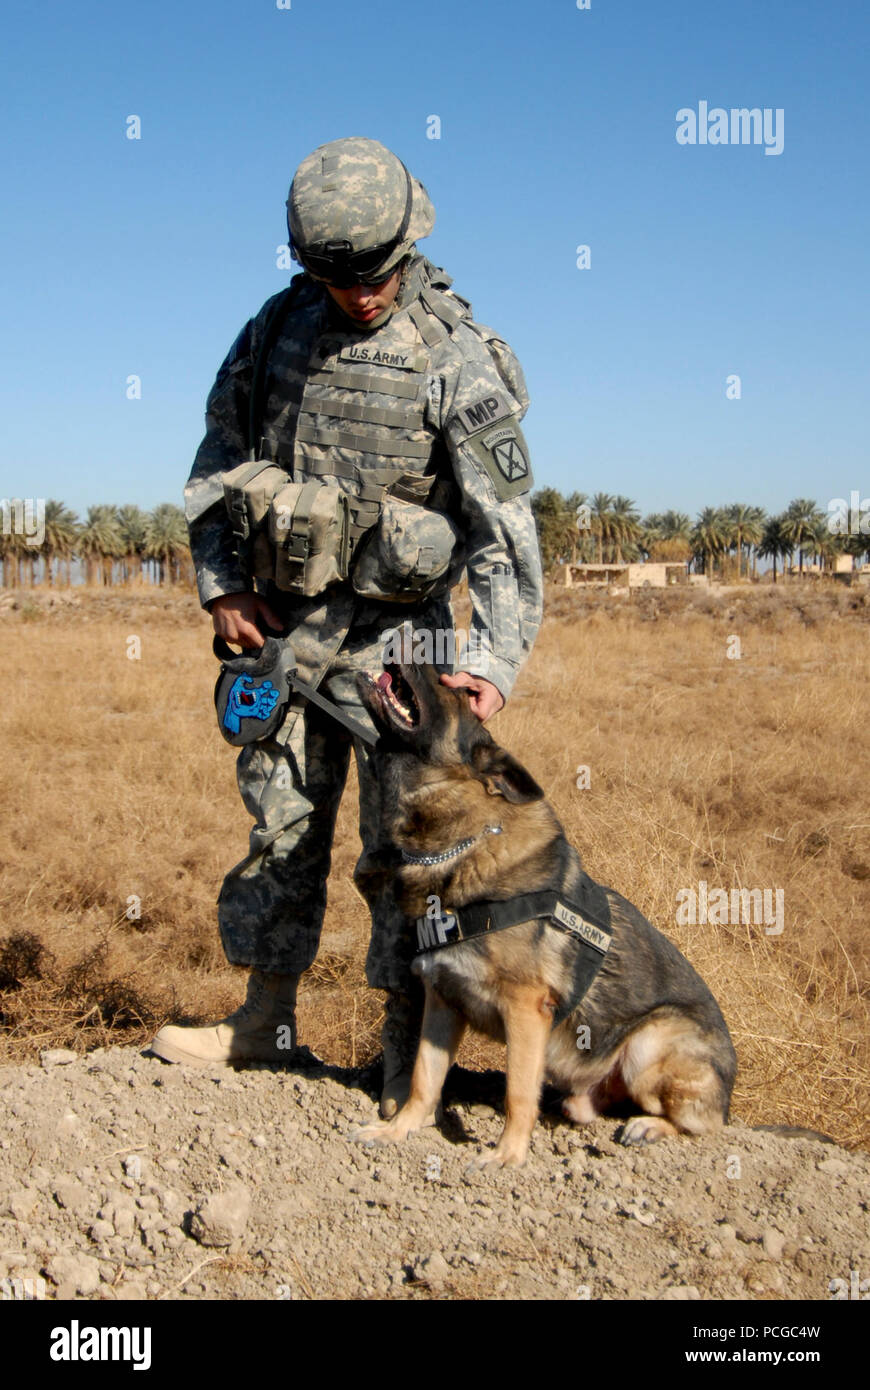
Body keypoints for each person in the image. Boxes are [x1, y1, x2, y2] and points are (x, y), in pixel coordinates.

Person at [150, 137, 543, 1117]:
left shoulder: (457, 356)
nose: (357, 293)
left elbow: (505, 531)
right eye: (334, 275)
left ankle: (404, 1058)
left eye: (370, 273)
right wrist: (223, 586)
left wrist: (489, 661)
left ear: (409, 242)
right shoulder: (274, 333)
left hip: (406, 651)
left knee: (407, 855)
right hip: (283, 633)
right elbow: (215, 460)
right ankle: (264, 1024)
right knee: (280, 826)